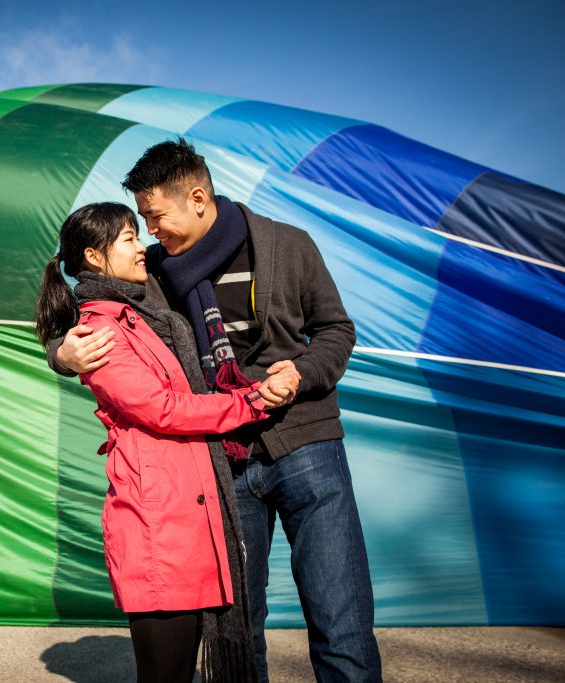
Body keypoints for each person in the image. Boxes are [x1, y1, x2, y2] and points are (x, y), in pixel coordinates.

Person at [50, 139, 383, 683]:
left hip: (306, 443)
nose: (151, 232)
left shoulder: (288, 245)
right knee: (236, 626)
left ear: (198, 198)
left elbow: (335, 330)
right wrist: (62, 354)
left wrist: (301, 373)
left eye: (156, 216)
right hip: (222, 463)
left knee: (339, 614)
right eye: (143, 222)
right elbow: (93, 308)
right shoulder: (152, 272)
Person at [35, 202, 272, 683]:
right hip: (158, 524)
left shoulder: (140, 314)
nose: (141, 246)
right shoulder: (101, 329)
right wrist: (251, 404)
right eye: (127, 237)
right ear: (95, 257)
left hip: (183, 515)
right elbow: (162, 409)